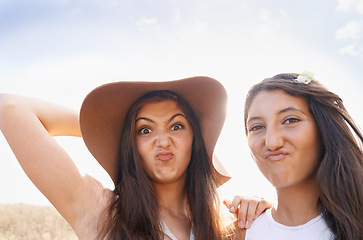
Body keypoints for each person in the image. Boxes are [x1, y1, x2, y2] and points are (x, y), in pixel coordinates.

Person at [0, 76, 270, 240]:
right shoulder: (100, 212)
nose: (163, 141)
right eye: (145, 129)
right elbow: (10, 107)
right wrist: (112, 132)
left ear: (194, 139)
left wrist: (266, 216)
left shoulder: (224, 222)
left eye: (176, 126)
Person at [227, 72, 363, 240]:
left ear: (323, 129)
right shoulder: (237, 234)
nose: (271, 143)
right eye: (256, 127)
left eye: (290, 120)